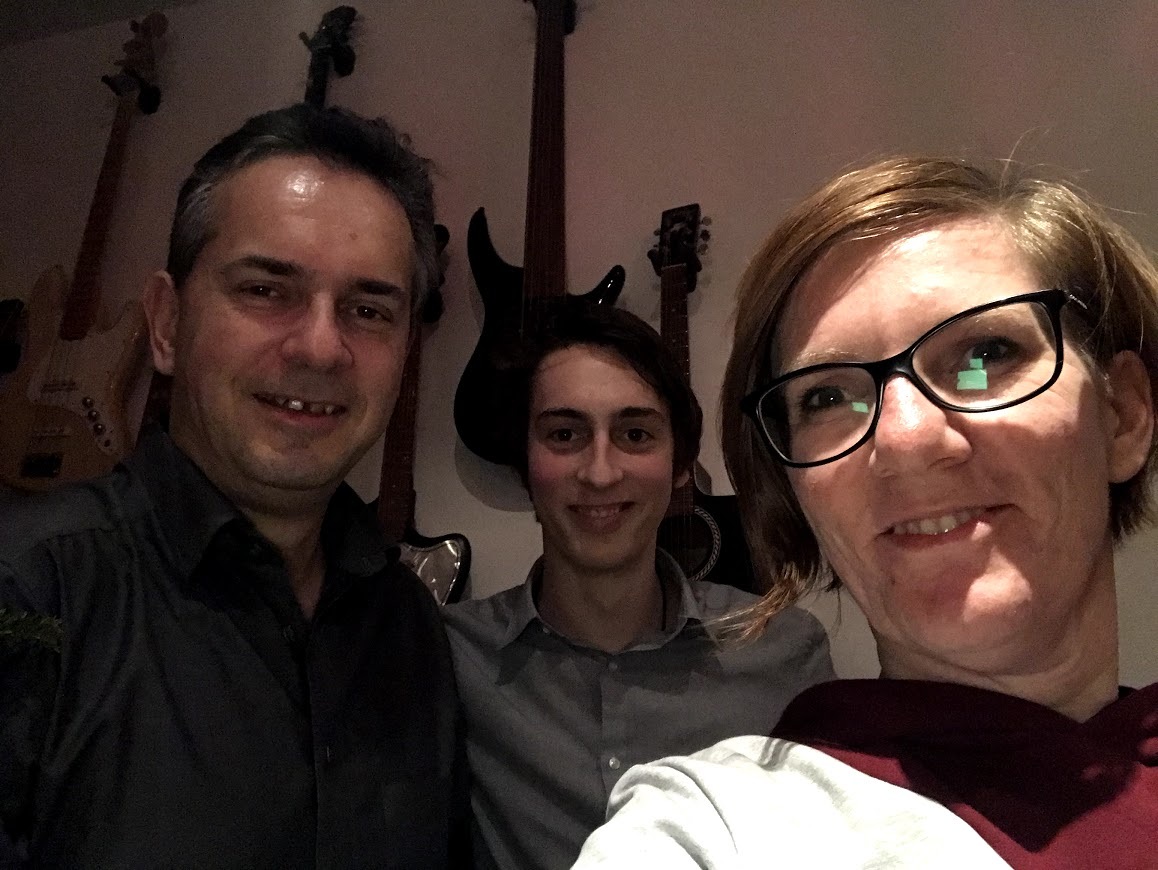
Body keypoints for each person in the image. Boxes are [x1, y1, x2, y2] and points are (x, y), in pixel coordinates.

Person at [573, 155, 1158, 868]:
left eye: (985, 354)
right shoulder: (714, 827)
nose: (905, 440)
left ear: (1124, 415)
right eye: (827, 397)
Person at [0, 103, 469, 868]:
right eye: (266, 291)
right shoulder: (29, 588)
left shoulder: (409, 626)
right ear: (165, 324)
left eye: (368, 309)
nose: (321, 347)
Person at [444, 304, 835, 870]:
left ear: (681, 465)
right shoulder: (450, 657)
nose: (600, 472)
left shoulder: (784, 653)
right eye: (564, 434)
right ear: (524, 465)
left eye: (635, 434)